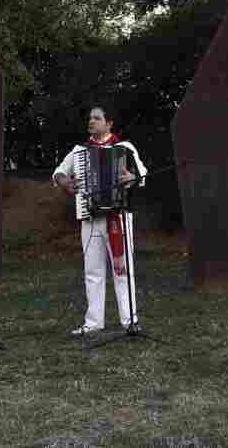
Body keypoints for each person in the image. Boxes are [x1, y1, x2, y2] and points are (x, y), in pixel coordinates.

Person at [53, 105, 148, 335]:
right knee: (92, 270)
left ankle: (129, 320)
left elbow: (143, 174)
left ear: (109, 123)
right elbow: (58, 173)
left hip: (119, 216)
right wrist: (65, 182)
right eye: (90, 119)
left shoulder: (123, 148)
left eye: (97, 118)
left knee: (123, 270)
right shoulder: (79, 151)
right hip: (91, 218)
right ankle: (94, 321)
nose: (91, 122)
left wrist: (132, 177)